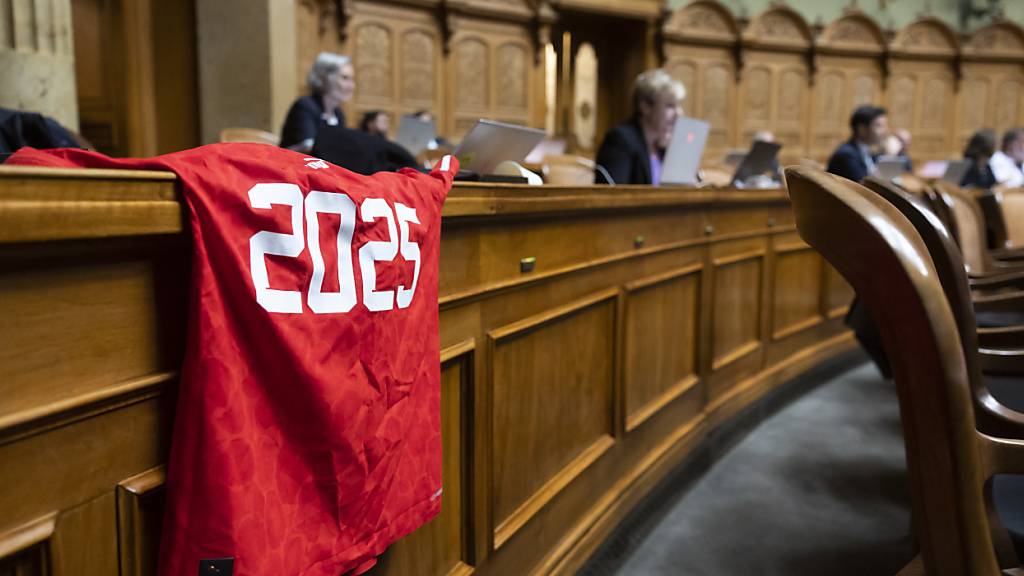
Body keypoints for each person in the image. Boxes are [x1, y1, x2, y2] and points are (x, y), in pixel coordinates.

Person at [594, 68, 685, 185]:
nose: (679, 113)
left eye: (679, 106)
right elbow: (613, 196)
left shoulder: (665, 146)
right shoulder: (620, 140)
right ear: (645, 106)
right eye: (670, 106)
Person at [280, 52, 355, 153]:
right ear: (324, 78)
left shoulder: (338, 114)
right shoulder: (305, 105)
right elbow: (307, 146)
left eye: (352, 79)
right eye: (345, 78)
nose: (351, 86)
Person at [826, 105, 889, 182]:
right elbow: (866, 187)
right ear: (862, 129)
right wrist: (890, 156)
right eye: (879, 126)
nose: (885, 131)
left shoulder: (867, 151)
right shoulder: (847, 155)